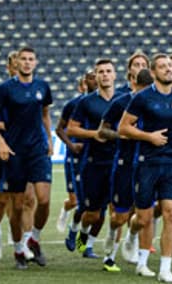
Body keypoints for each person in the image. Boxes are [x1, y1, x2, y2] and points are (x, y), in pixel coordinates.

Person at [119, 53, 172, 282]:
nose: (168, 69)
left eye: (170, 66)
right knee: (144, 217)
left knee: (171, 213)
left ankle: (165, 269)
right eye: (163, 67)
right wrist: (148, 136)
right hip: (146, 163)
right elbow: (124, 128)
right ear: (153, 72)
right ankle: (140, 257)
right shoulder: (142, 98)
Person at [0, 46, 54, 270]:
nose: (27, 62)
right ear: (17, 63)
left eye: (31, 59)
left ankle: (33, 239)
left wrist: (49, 140)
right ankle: (18, 251)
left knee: (43, 200)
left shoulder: (43, 87)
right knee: (17, 205)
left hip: (37, 151)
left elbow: (45, 114)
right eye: (23, 59)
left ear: (36, 63)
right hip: (14, 153)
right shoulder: (5, 89)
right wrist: (2, 142)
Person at [0, 51, 38, 261]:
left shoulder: (31, 90)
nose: (19, 68)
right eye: (15, 65)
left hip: (29, 151)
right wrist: (8, 126)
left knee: (28, 198)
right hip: (6, 153)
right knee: (4, 200)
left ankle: (23, 241)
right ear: (10, 68)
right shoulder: (0, 92)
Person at [66, 58, 125, 261]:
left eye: (109, 71)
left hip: (118, 161)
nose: (105, 75)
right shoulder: (87, 101)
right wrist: (95, 134)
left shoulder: (124, 99)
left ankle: (90, 246)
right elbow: (71, 128)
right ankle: (79, 229)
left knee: (115, 212)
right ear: (96, 76)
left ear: (115, 75)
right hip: (93, 162)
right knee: (93, 213)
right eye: (101, 72)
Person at [106, 67, 152, 272]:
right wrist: (120, 134)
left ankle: (130, 241)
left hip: (148, 164)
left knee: (143, 214)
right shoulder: (120, 103)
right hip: (124, 163)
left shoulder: (156, 103)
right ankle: (112, 233)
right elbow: (102, 130)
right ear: (134, 85)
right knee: (120, 216)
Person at [55, 70, 97, 237]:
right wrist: (71, 145)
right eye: (90, 79)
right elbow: (59, 129)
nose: (93, 81)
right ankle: (66, 212)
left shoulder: (108, 103)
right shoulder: (73, 105)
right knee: (75, 201)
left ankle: (83, 239)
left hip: (95, 157)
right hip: (75, 157)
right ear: (83, 85)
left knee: (91, 204)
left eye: (95, 78)